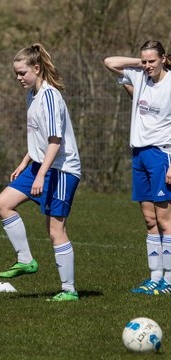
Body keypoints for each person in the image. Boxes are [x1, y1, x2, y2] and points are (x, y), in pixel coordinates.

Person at [0, 43, 81, 301]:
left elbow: (55, 140)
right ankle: (25, 260)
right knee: (2, 203)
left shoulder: (50, 96)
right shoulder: (31, 95)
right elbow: (39, 139)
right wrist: (24, 163)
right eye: (16, 74)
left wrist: (41, 174)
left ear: (36, 67)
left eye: (22, 73)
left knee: (56, 231)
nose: (19, 78)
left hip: (61, 169)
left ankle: (69, 290)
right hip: (39, 164)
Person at [104, 40, 171, 295]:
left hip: (161, 154)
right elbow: (110, 62)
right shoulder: (139, 75)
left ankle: (169, 280)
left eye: (152, 61)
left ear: (164, 59)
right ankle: (154, 277)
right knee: (149, 220)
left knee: (166, 221)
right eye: (144, 61)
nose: (147, 65)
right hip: (139, 154)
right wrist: (139, 63)